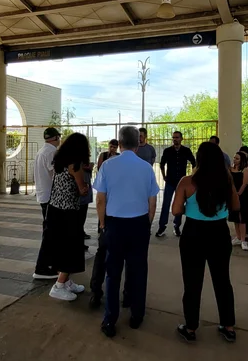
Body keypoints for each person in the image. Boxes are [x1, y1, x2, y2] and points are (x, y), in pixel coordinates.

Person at [94, 126, 159, 338]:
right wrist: (147, 223)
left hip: (114, 224)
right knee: (138, 270)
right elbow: (152, 201)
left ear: (119, 144)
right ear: (138, 145)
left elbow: (100, 199)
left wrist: (103, 224)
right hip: (139, 224)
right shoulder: (146, 168)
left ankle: (110, 319)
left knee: (112, 273)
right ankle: (136, 315)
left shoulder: (107, 166)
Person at [173, 142, 240, 343]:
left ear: (199, 159)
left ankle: (191, 328)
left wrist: (191, 209)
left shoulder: (187, 182)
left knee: (192, 282)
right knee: (222, 281)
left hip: (193, 233)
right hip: (219, 232)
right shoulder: (226, 180)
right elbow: (236, 205)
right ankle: (228, 326)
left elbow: (176, 211)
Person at [43, 133, 90, 301]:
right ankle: (59, 286)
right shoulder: (75, 165)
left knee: (59, 247)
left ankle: (66, 281)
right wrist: (86, 187)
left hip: (55, 210)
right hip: (69, 212)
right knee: (71, 248)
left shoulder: (59, 161)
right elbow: (81, 189)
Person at [32, 127, 61, 280]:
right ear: (56, 138)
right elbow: (55, 173)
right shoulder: (51, 152)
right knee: (50, 233)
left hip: (43, 195)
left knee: (49, 231)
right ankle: (41, 268)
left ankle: (49, 264)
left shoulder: (41, 151)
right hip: (50, 196)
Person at [157, 131, 196, 237]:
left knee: (179, 205)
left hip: (181, 183)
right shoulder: (167, 151)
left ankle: (177, 226)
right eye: (173, 137)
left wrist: (192, 176)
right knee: (166, 204)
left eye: (177, 137)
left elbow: (194, 162)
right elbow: (162, 164)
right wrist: (164, 176)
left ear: (181, 139)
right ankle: (161, 227)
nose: (175, 139)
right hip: (170, 182)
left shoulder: (186, 151)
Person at [229, 151, 248, 251]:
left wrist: (238, 194)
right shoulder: (230, 169)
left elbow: (244, 184)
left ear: (242, 160)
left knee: (242, 218)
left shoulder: (245, 170)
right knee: (235, 217)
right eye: (234, 158)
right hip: (232, 195)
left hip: (242, 196)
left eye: (237, 158)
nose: (234, 160)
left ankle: (243, 239)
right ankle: (237, 237)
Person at [78, 160, 94, 249]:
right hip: (80, 195)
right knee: (79, 219)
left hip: (85, 194)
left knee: (82, 218)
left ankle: (80, 237)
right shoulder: (76, 164)